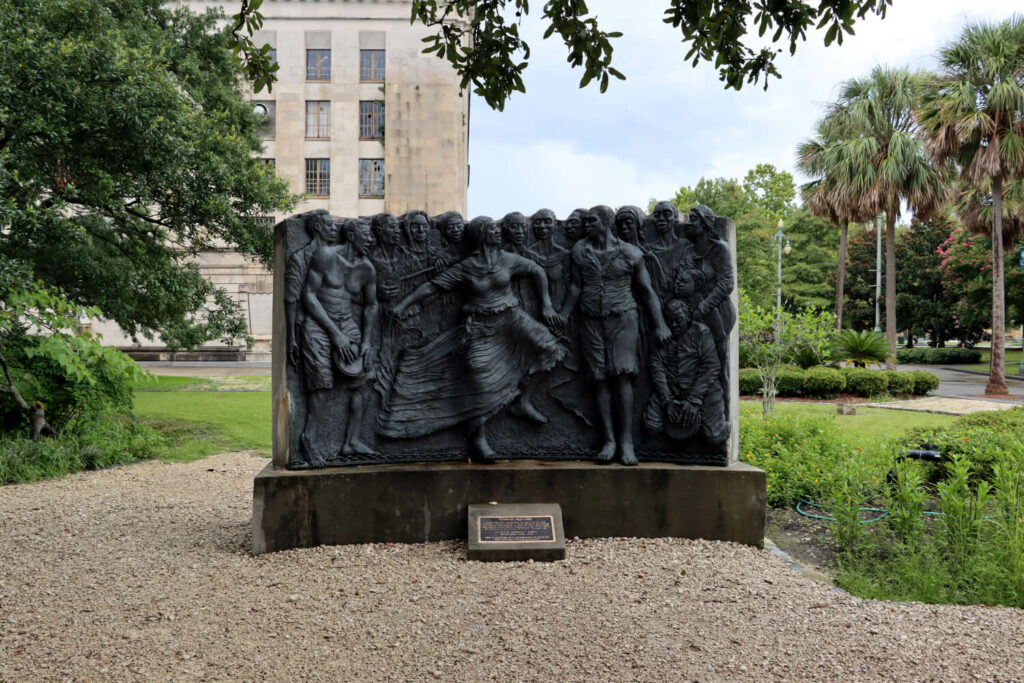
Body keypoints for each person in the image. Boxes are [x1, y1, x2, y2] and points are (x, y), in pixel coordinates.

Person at [379, 216, 564, 460]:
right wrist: (402, 305)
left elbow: (537, 270)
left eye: (497, 230)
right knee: (477, 377)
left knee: (549, 348)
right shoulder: (466, 267)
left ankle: (523, 401)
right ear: (481, 235)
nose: (498, 233)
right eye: (492, 230)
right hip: (479, 325)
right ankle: (478, 440)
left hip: (511, 318)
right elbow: (432, 287)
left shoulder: (507, 259)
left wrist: (547, 304)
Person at [560, 205, 671, 465]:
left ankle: (626, 442)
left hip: (623, 320)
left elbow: (646, 291)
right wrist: (563, 314)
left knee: (621, 378)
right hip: (590, 322)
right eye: (585, 221)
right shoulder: (579, 251)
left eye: (592, 220)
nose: (586, 225)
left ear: (606, 222)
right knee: (599, 380)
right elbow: (575, 286)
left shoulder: (631, 253)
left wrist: (660, 324)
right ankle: (608, 441)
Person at [295, 218, 379, 467]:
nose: (372, 239)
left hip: (347, 323)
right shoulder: (325, 255)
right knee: (321, 384)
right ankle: (308, 438)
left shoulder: (367, 269)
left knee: (366, 377)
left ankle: (350, 441)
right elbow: (309, 297)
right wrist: (334, 333)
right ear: (352, 236)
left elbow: (372, 305)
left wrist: (366, 341)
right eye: (367, 234)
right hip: (319, 323)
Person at [643, 299, 728, 444]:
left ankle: (718, 423)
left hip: (703, 390)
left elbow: (711, 366)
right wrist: (667, 400)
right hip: (671, 389)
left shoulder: (701, 332)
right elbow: (657, 367)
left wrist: (694, 400)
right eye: (670, 321)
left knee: (715, 436)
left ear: (688, 317)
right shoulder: (661, 336)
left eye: (678, 320)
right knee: (651, 426)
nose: (674, 324)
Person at [678, 204, 736, 405]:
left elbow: (727, 283)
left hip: (718, 313)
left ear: (705, 224)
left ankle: (723, 410)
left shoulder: (720, 248)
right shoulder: (688, 251)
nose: (688, 224)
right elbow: (683, 279)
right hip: (692, 312)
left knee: (720, 365)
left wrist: (703, 307)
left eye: (693, 219)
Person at [284, 210, 337, 369]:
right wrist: (291, 337)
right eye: (329, 225)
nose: (335, 228)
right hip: (310, 329)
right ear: (317, 228)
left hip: (340, 324)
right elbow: (291, 299)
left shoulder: (339, 257)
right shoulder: (299, 259)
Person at [647, 201, 687, 297]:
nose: (661, 219)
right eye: (657, 215)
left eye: (667, 214)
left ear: (675, 218)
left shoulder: (686, 246)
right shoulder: (648, 251)